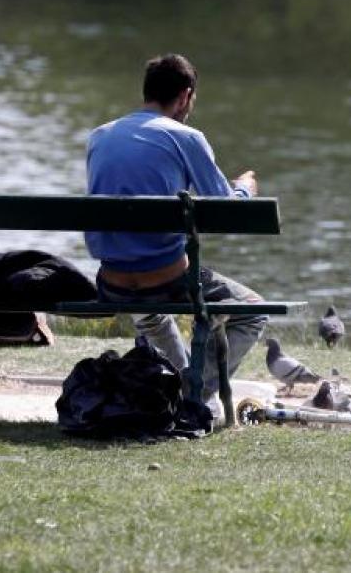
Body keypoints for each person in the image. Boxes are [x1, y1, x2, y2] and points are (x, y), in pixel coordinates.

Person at [85, 53, 266, 408]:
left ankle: (179, 382)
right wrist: (245, 188)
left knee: (150, 309)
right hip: (166, 282)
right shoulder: (187, 137)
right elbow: (227, 211)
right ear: (185, 96)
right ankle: (193, 392)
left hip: (113, 282)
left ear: (147, 92)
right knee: (253, 310)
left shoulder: (99, 136)